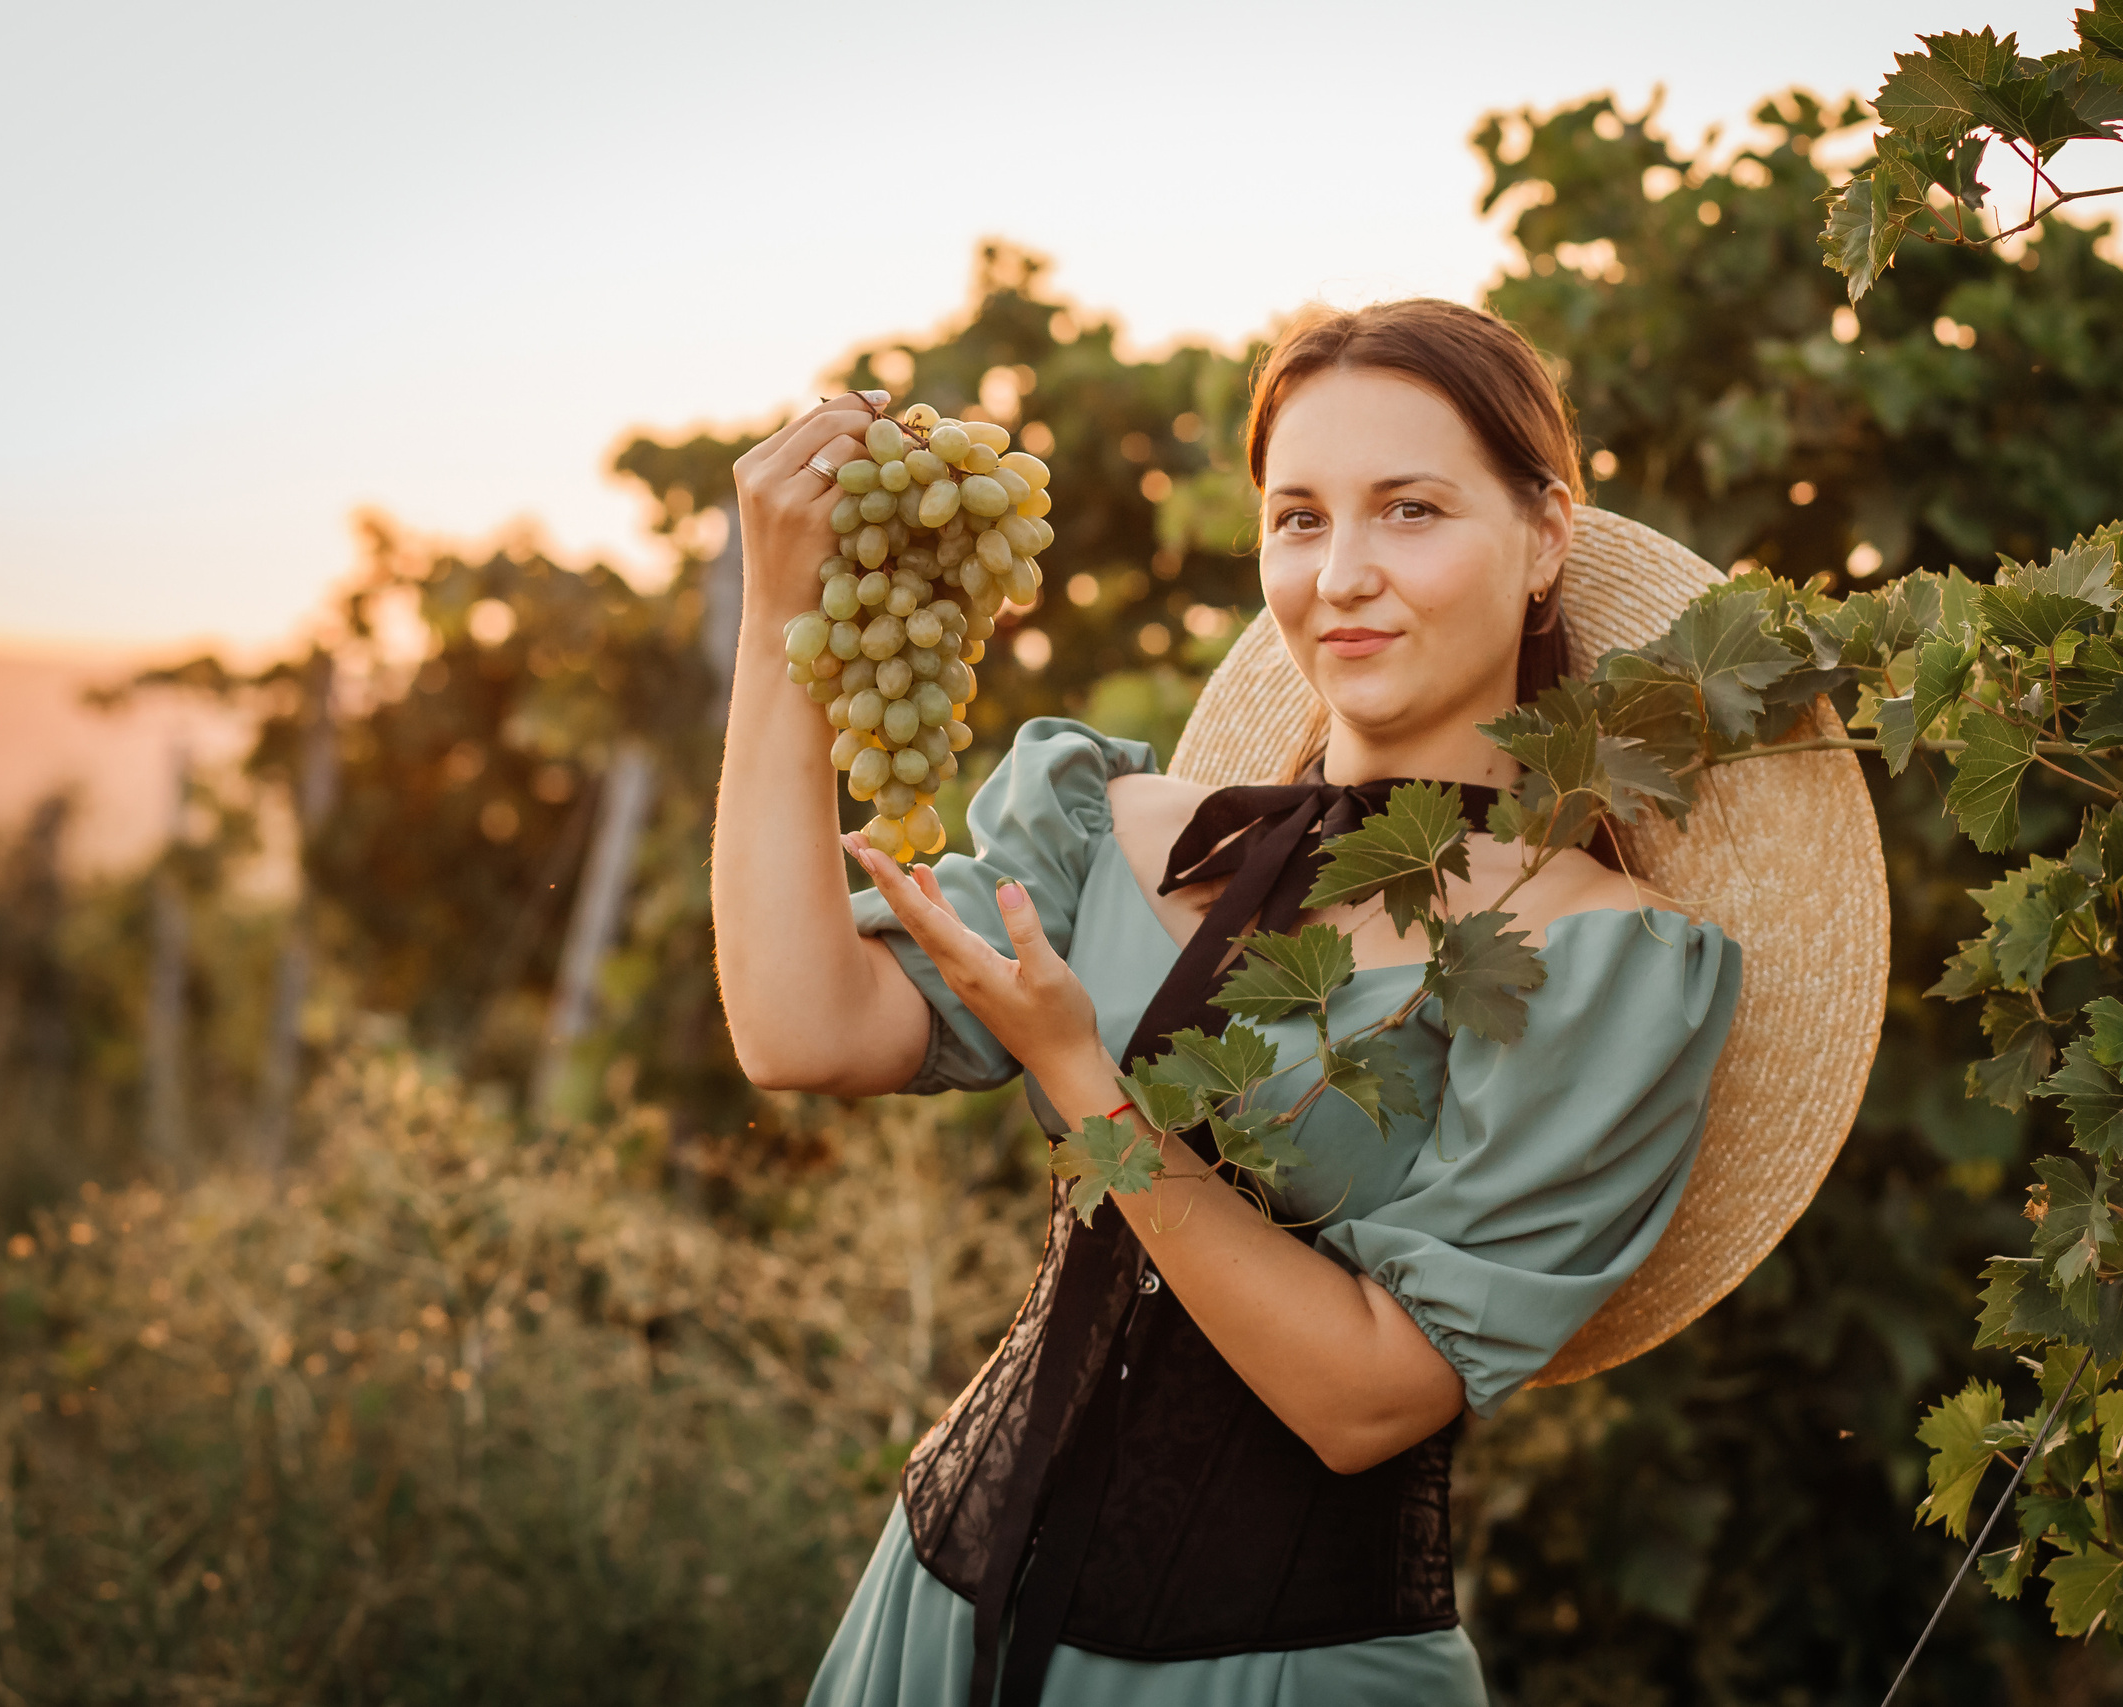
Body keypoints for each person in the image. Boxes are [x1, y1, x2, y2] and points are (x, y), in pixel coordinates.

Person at [713, 300, 1745, 1707]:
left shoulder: (1598, 957)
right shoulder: (1122, 826)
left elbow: (1368, 1400)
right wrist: (782, 625)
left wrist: (1088, 1086)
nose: (1345, 575)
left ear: (1545, 536)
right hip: (935, 1626)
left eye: (1411, 511)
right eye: (1301, 519)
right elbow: (798, 1028)